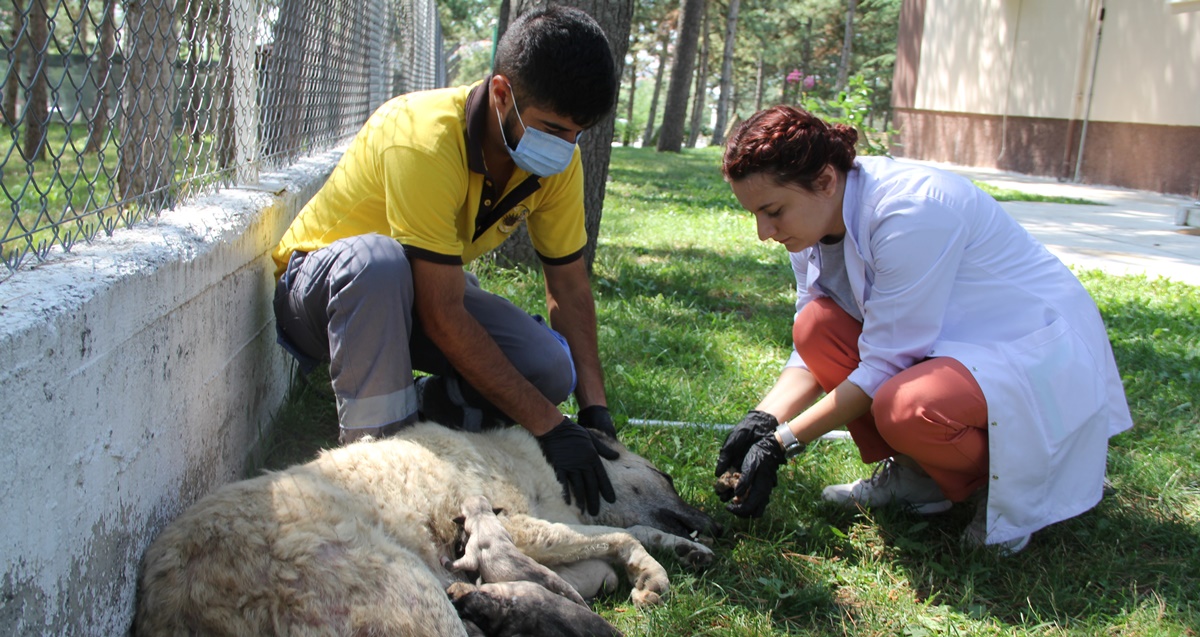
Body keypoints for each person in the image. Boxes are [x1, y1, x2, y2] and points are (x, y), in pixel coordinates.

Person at [713, 105, 1133, 553]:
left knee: (907, 407)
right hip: (948, 345)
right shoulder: (810, 223)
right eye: (756, 214)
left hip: (1030, 351)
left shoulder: (910, 210)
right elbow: (812, 347)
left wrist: (782, 444)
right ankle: (922, 479)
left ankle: (1017, 487)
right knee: (816, 327)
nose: (763, 231)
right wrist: (763, 419)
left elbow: (882, 367)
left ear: (825, 181)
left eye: (772, 211)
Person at [270, 6, 621, 515]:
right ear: (501, 93)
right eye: (551, 128)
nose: (565, 147)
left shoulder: (557, 160)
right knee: (379, 261)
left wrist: (592, 410)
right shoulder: (423, 135)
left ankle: (430, 405)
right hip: (325, 295)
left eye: (577, 132)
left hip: (418, 293)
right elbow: (440, 313)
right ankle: (381, 468)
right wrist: (549, 425)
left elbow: (568, 288)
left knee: (548, 369)